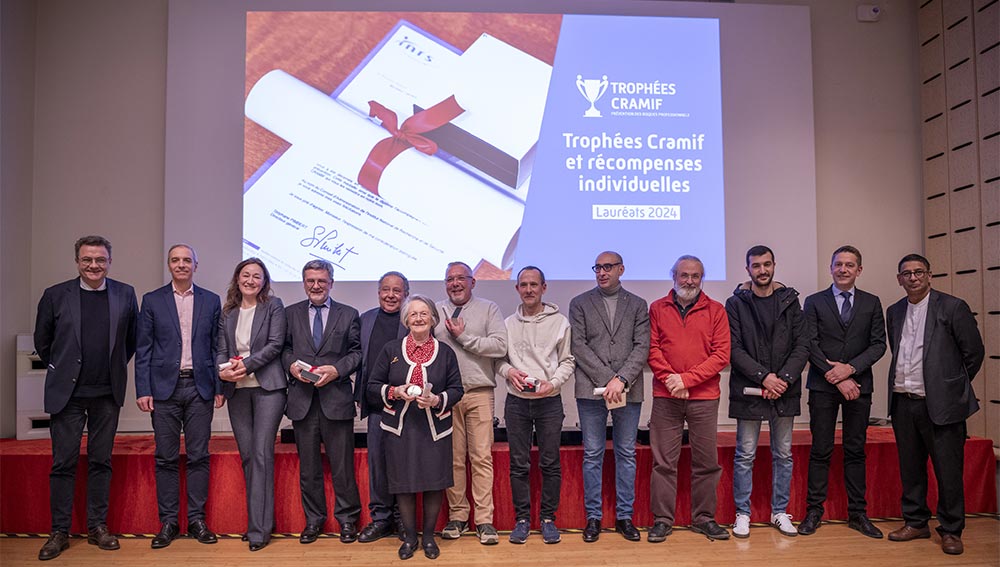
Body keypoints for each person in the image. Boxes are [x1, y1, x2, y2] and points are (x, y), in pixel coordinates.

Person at [34, 235, 138, 561]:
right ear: (77, 261)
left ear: (109, 261)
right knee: (63, 463)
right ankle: (59, 531)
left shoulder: (125, 293)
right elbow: (44, 342)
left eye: (100, 260)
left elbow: (130, 342)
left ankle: (97, 527)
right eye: (87, 260)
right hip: (68, 395)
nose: (94, 265)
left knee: (100, 461)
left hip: (107, 393)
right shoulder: (55, 295)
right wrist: (66, 369)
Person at [885, 254, 984, 556]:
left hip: (941, 405)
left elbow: (974, 353)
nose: (913, 278)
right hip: (904, 402)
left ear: (929, 275)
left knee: (948, 470)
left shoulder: (953, 307)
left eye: (918, 272)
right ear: (899, 279)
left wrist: (949, 387)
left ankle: (951, 530)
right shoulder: (894, 311)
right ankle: (916, 522)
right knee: (911, 468)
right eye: (906, 273)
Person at [135, 244, 222, 549]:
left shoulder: (211, 301)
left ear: (195, 266)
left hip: (200, 388)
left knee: (199, 456)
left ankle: (197, 520)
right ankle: (169, 522)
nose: (182, 265)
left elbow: (216, 347)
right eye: (176, 260)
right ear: (169, 265)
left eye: (187, 260)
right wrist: (143, 389)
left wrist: (219, 388)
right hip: (163, 391)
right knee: (166, 458)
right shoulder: (152, 300)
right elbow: (143, 348)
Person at [367, 295, 465, 560]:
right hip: (400, 429)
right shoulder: (390, 350)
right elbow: (372, 386)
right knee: (404, 484)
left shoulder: (445, 352)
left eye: (424, 314)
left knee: (434, 483)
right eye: (413, 314)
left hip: (434, 429)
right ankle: (410, 538)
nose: (419, 318)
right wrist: (396, 391)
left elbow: (457, 389)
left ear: (432, 319)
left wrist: (436, 399)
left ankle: (430, 537)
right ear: (406, 320)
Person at [798, 246, 886, 538]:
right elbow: (809, 344)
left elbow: (878, 344)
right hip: (823, 387)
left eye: (850, 265)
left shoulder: (872, 303)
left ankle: (858, 514)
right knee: (820, 449)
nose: (844, 269)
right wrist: (835, 376)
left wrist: (850, 370)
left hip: (859, 386)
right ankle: (814, 511)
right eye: (839, 264)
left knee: (855, 450)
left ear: (859, 270)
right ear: (831, 268)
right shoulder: (813, 301)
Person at [726, 245, 808, 538]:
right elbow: (733, 349)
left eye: (767, 264)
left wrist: (782, 379)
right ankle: (743, 514)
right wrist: (765, 378)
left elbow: (803, 345)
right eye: (756, 266)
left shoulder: (790, 300)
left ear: (774, 265)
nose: (762, 270)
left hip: (784, 389)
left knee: (783, 454)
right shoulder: (735, 303)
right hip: (749, 389)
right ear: (747, 269)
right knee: (745, 454)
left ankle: (779, 512)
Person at [646, 255, 730, 543]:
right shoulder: (657, 308)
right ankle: (662, 520)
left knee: (706, 462)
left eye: (695, 276)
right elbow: (652, 349)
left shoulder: (716, 310)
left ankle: (704, 519)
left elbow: (721, 355)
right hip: (665, 396)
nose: (689, 281)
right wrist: (673, 380)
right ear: (674, 276)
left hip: (704, 398)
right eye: (684, 275)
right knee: (663, 462)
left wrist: (686, 380)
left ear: (702, 278)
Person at [569, 251, 650, 543]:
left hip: (629, 389)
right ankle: (593, 518)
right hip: (591, 390)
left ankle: (624, 517)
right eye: (598, 268)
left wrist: (621, 379)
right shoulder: (579, 303)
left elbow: (642, 347)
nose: (602, 272)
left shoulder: (639, 305)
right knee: (592, 454)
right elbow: (578, 346)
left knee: (626, 454)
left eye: (608, 267)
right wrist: (608, 380)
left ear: (621, 269)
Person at [282, 259, 363, 544]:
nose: (316, 286)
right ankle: (313, 521)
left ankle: (347, 520)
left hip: (336, 398)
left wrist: (338, 370)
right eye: (310, 281)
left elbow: (356, 352)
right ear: (304, 282)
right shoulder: (290, 313)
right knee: (309, 468)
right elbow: (285, 349)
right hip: (303, 401)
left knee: (342, 467)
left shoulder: (349, 314)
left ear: (331, 282)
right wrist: (291, 365)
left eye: (321, 281)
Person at [497, 266, 575, 544]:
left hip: (549, 402)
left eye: (534, 284)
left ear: (544, 287)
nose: (528, 290)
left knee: (550, 463)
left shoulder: (560, 322)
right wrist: (509, 373)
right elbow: (499, 360)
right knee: (518, 464)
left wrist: (552, 384)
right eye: (523, 285)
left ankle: (547, 519)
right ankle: (521, 520)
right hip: (517, 403)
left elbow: (567, 361)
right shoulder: (506, 324)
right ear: (517, 289)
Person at [216, 258, 287, 551]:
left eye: (257, 276)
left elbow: (275, 344)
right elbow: (221, 349)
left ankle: (259, 529)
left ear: (264, 280)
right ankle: (258, 520)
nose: (250, 280)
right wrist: (223, 370)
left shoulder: (274, 305)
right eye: (246, 275)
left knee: (261, 454)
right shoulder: (228, 312)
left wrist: (244, 365)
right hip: (238, 392)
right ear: (238, 278)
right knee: (248, 456)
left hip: (268, 389)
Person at [435, 262, 507, 545]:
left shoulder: (489, 308)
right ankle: (458, 516)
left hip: (479, 393)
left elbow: (500, 347)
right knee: (452, 459)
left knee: (481, 458)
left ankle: (484, 520)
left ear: (473, 282)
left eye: (460, 278)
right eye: (449, 279)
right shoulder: (436, 310)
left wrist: (463, 337)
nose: (455, 283)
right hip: (445, 397)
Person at [355, 271, 410, 543]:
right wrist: (358, 395)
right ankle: (380, 519)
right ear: (378, 293)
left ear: (406, 294)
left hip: (407, 409)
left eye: (397, 291)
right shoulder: (365, 320)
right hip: (377, 405)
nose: (390, 295)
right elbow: (361, 362)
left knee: (401, 463)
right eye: (386, 290)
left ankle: (403, 518)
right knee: (377, 463)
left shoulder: (414, 321)